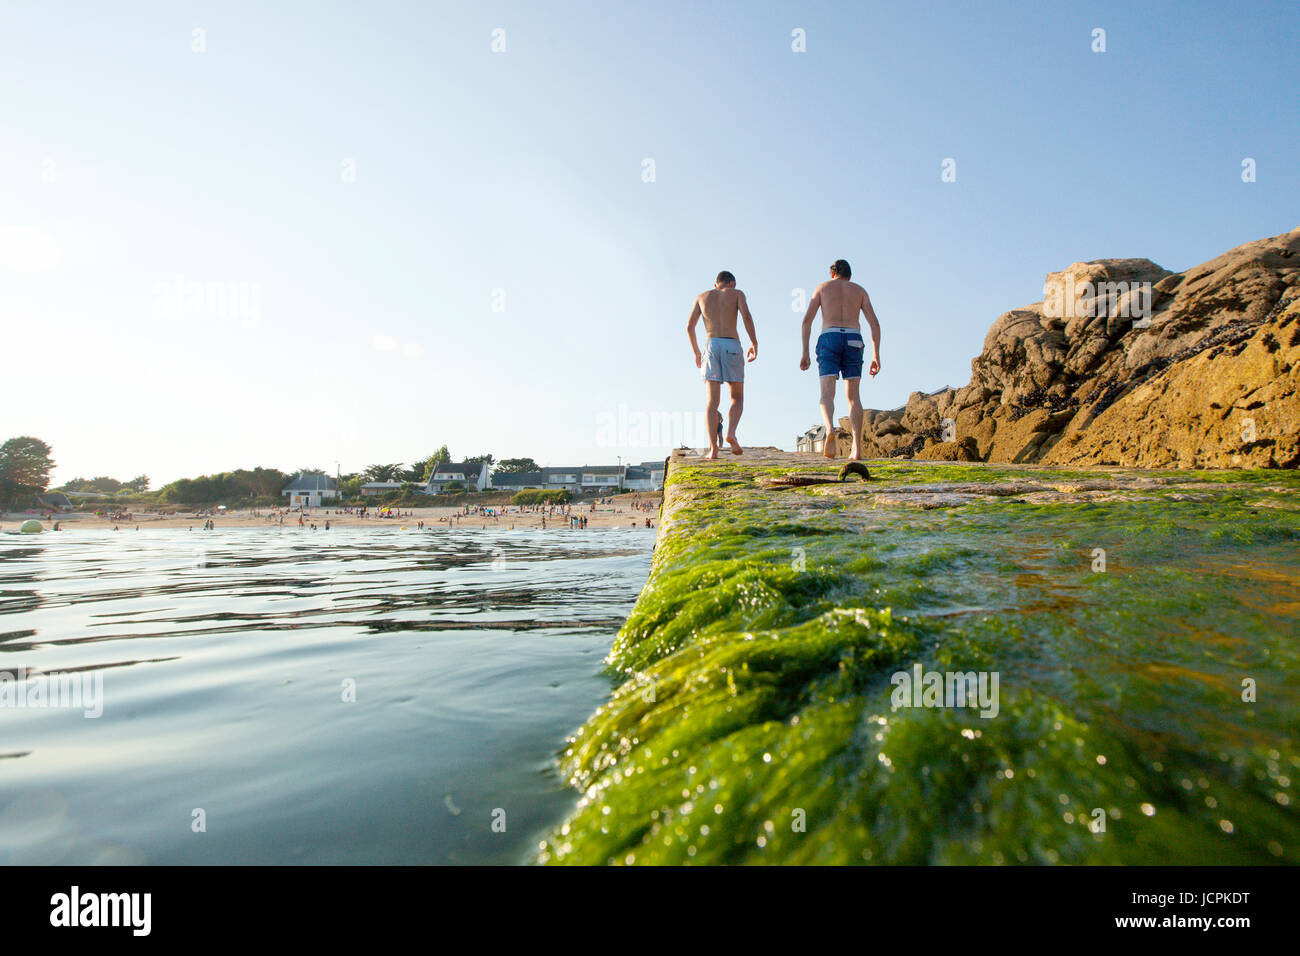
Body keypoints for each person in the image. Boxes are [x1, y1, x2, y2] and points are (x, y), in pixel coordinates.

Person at [799, 259, 881, 461]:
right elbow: (874, 324)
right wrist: (876, 355)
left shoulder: (823, 288)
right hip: (854, 337)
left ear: (832, 273)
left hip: (830, 336)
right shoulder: (859, 291)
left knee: (827, 394)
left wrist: (805, 352)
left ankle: (829, 429)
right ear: (849, 275)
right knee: (853, 397)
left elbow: (807, 320)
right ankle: (857, 448)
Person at [687, 270, 757, 458]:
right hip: (731, 344)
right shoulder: (737, 294)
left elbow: (689, 327)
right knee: (737, 398)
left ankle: (713, 449)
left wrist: (696, 352)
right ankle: (731, 433)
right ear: (732, 283)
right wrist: (754, 343)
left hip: (710, 345)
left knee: (712, 402)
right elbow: (746, 317)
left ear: (716, 283)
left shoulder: (702, 297)